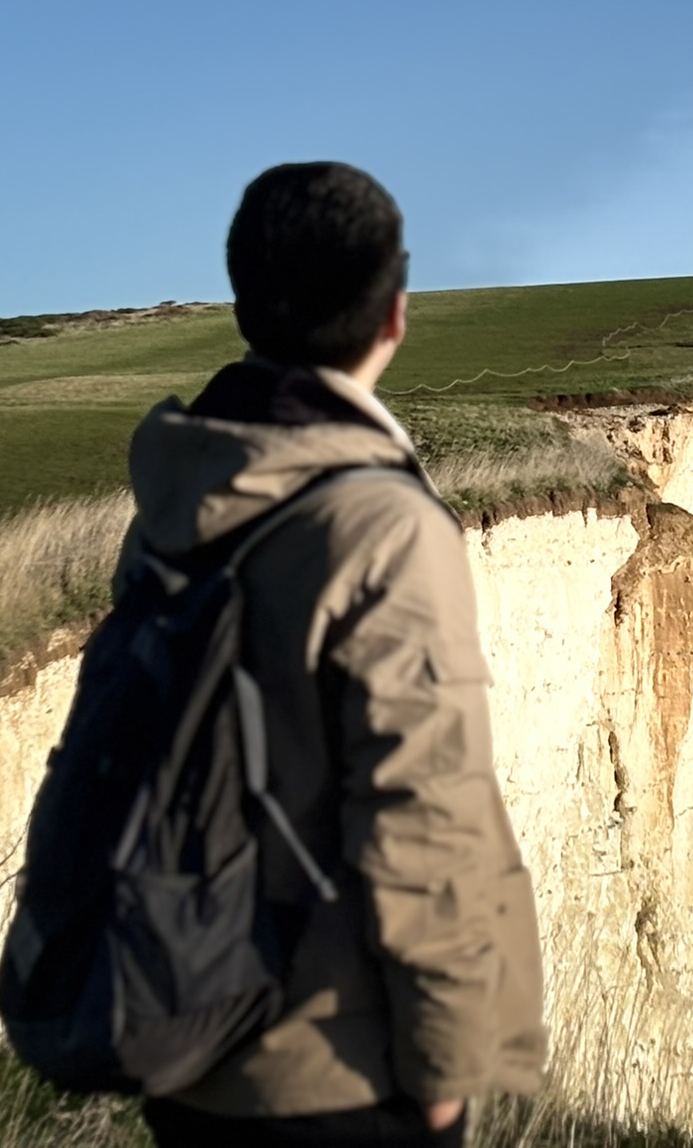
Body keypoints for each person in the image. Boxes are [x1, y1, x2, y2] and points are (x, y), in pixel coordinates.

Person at [119, 162, 545, 1147]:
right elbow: (422, 811)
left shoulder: (174, 505)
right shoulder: (382, 527)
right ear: (393, 311)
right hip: (333, 1064)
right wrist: (442, 1066)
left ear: (241, 304)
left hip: (187, 1032)